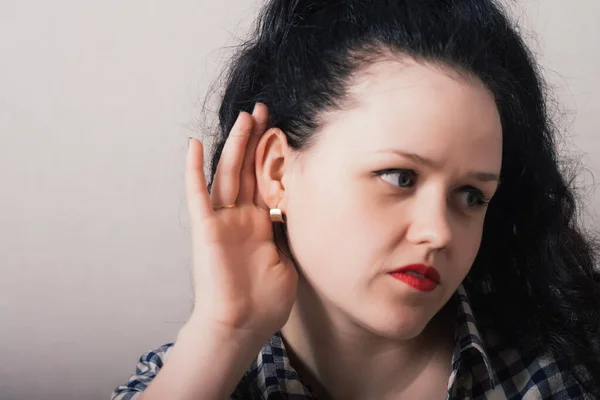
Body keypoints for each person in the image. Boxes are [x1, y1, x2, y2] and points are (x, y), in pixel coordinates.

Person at [111, 0, 600, 399]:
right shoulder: (190, 377)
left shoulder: (555, 371)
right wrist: (225, 331)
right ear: (277, 170)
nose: (440, 231)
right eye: (399, 177)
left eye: (471, 195)